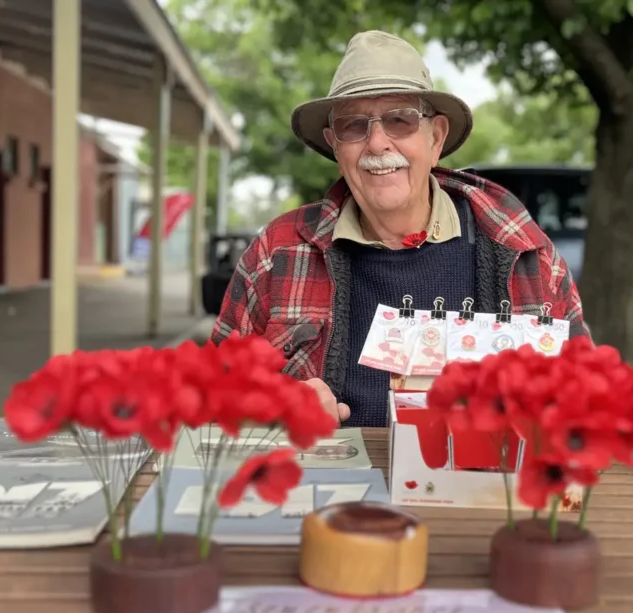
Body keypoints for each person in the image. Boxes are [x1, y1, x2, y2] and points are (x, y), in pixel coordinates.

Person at [212, 30, 588, 428]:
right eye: (354, 126)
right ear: (335, 146)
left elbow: (586, 402)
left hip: (486, 489)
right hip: (328, 487)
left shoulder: (523, 252)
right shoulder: (279, 250)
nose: (376, 144)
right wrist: (269, 406)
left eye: (399, 120)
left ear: (436, 138)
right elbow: (210, 395)